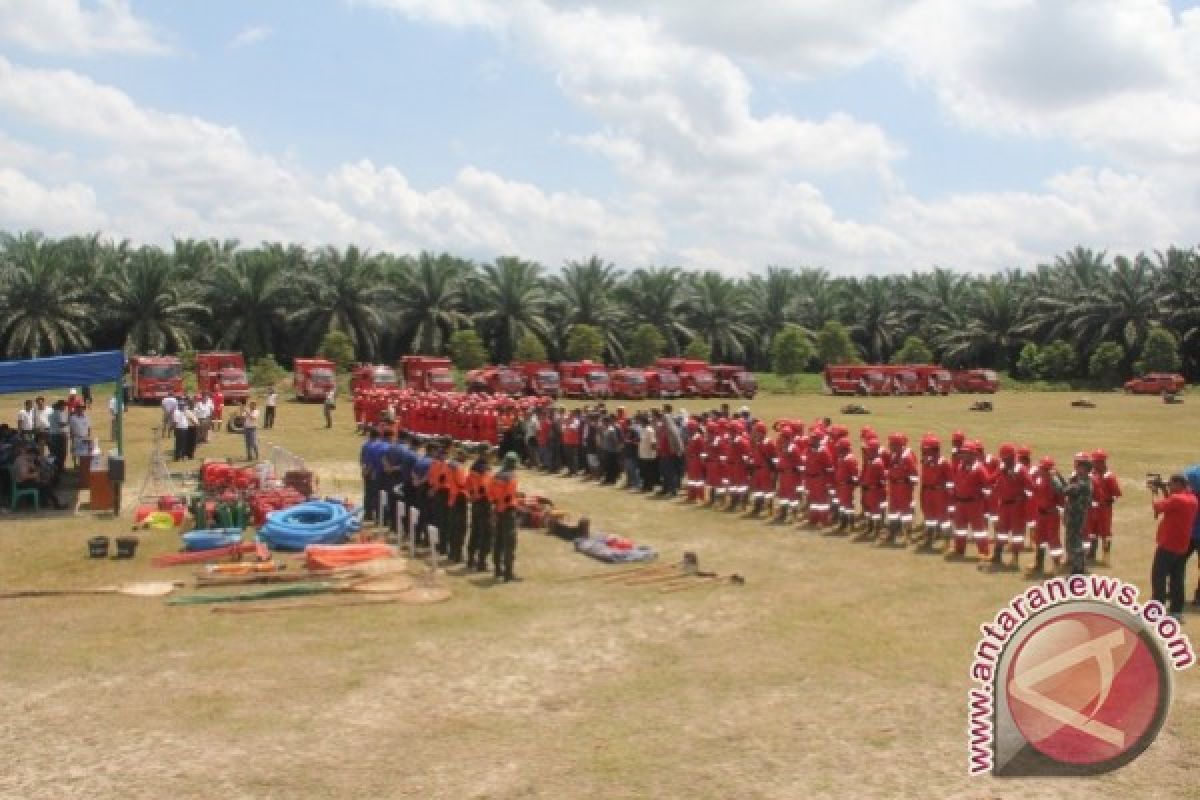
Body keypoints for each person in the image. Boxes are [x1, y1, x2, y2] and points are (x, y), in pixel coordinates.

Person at [1150, 474, 1198, 621]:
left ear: (1178, 484)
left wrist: (1153, 492)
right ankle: (1176, 610)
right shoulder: (1193, 499)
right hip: (1182, 545)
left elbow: (1158, 506)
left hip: (1168, 544)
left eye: (1171, 484)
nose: (1169, 486)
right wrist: (1166, 490)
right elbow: (1171, 506)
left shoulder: (1177, 499)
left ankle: (1157, 608)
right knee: (1177, 578)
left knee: (1158, 576)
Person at [488, 451, 521, 582]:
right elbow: (508, 497)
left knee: (498, 541)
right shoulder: (511, 477)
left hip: (497, 510)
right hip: (507, 512)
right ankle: (508, 573)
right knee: (509, 543)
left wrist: (496, 508)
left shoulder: (496, 475)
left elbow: (491, 493)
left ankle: (497, 570)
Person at [1063, 452, 1093, 575]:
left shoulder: (1083, 483)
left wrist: (1055, 479)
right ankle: (1076, 564)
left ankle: (1078, 567)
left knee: (1075, 540)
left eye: (1079, 465)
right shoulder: (1080, 479)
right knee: (1073, 539)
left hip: (1077, 515)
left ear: (1084, 468)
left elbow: (1065, 490)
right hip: (1074, 513)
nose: (1076, 467)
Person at [13, 443, 67, 509]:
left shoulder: (24, 459)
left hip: (23, 482)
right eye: (34, 457)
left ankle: (46, 503)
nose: (35, 458)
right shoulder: (23, 462)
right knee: (46, 485)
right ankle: (56, 505)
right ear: (31, 455)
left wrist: (33, 465)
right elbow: (23, 476)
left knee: (44, 483)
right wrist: (34, 475)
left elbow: (34, 469)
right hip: (22, 484)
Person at [466, 447, 494, 572]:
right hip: (484, 503)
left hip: (475, 502)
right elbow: (485, 487)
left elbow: (468, 484)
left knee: (475, 531)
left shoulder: (473, 467)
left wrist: (472, 495)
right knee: (486, 533)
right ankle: (482, 562)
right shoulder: (485, 469)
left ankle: (471, 559)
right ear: (485, 454)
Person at [67, 405, 91, 469]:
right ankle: (75, 464)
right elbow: (71, 429)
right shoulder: (73, 418)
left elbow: (88, 428)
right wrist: (72, 439)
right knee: (75, 451)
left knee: (83, 452)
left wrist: (88, 437)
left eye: (82, 409)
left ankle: (82, 464)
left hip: (84, 437)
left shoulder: (87, 417)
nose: (80, 410)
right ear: (76, 409)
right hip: (76, 437)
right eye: (79, 409)